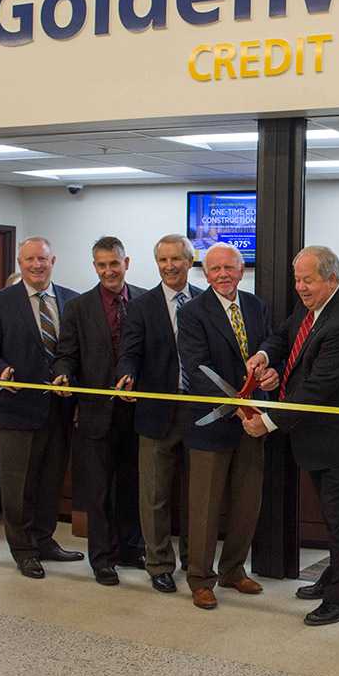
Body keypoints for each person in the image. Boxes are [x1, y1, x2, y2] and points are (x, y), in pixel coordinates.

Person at [242, 245, 339, 626]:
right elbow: (284, 337)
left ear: (331, 279)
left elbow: (315, 389)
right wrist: (265, 356)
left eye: (309, 280)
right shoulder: (315, 308)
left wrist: (267, 421)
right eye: (298, 280)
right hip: (320, 439)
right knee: (335, 517)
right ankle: (336, 576)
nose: (301, 287)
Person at [0, 236, 82, 578]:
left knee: (51, 482)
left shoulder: (71, 301)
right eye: (30, 259)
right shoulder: (1, 302)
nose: (37, 265)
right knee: (19, 486)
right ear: (20, 263)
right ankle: (23, 550)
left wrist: (66, 374)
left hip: (59, 409)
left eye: (43, 259)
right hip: (18, 410)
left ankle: (44, 541)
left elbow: (71, 351)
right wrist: (0, 371)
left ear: (53, 261)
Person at [177, 242, 274, 610]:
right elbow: (197, 368)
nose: (222, 275)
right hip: (212, 422)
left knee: (248, 500)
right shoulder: (192, 313)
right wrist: (238, 405)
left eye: (229, 268)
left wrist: (267, 377)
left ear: (241, 269)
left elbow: (268, 346)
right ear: (204, 272)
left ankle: (234, 569)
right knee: (205, 505)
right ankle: (201, 579)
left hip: (254, 424)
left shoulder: (256, 305)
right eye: (215, 269)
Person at [53, 237, 146, 586]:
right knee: (99, 490)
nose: (109, 271)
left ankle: (130, 549)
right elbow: (67, 353)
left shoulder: (145, 300)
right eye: (102, 265)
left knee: (132, 485)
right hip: (94, 413)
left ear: (126, 262)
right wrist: (63, 373)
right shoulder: (78, 307)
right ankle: (103, 559)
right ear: (95, 266)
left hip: (137, 412)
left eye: (114, 263)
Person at [115, 234, 202, 593]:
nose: (169, 266)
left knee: (198, 495)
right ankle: (159, 565)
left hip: (199, 412)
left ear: (189, 261)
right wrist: (127, 374)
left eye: (176, 260)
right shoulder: (140, 305)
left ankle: (195, 562)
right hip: (156, 413)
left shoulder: (204, 301)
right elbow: (130, 351)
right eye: (163, 261)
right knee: (154, 496)